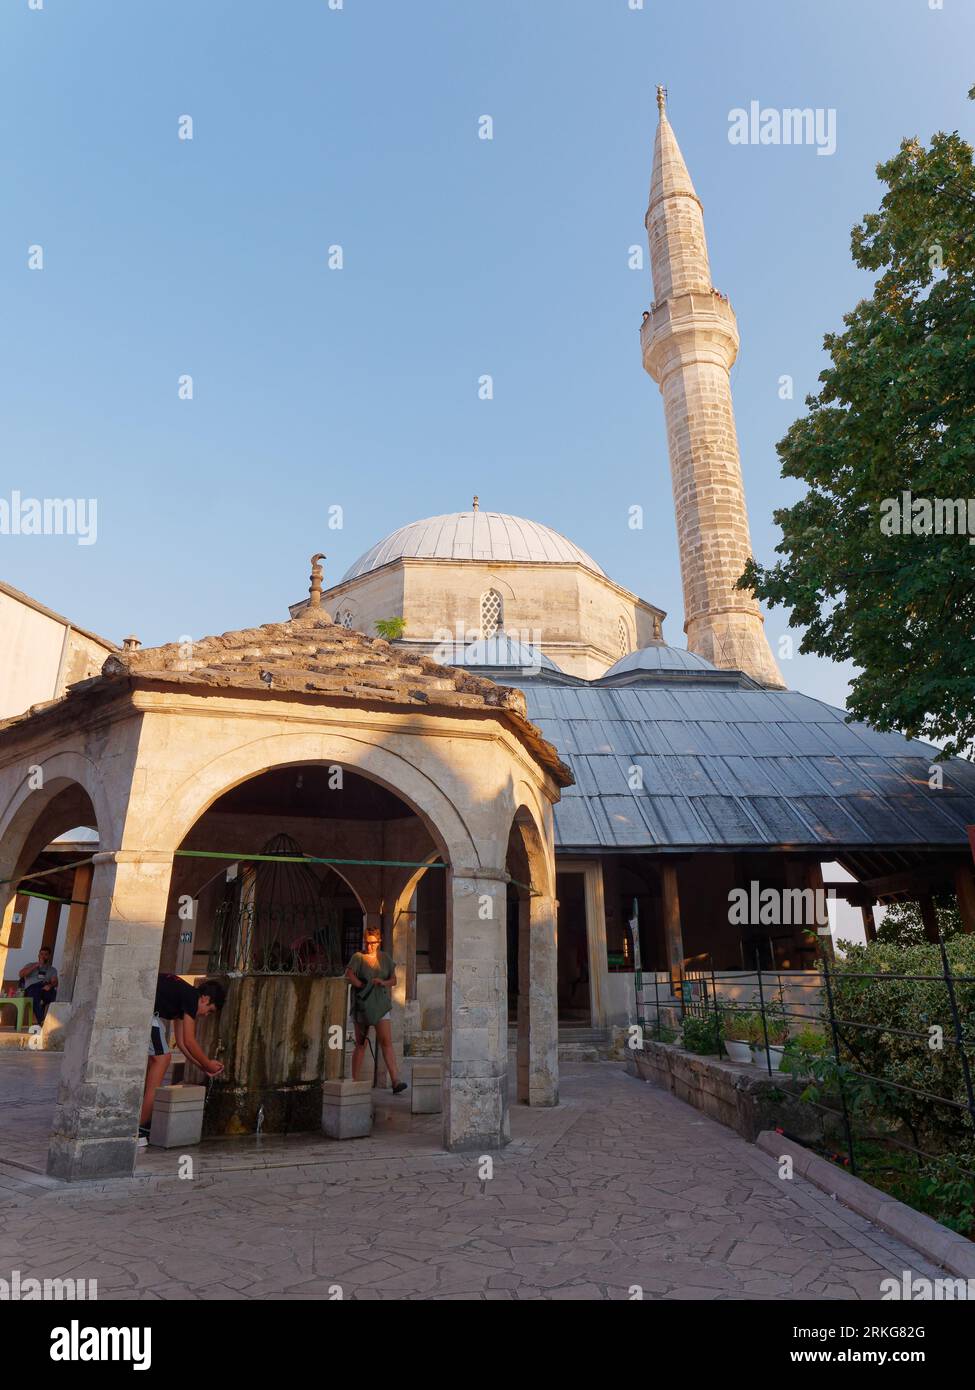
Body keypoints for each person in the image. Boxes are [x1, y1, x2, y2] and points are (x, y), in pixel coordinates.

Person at [139, 975, 226, 1146]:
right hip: (145, 1009)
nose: (206, 1015)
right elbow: (189, 1040)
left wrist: (202, 1067)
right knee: (162, 1059)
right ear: (205, 998)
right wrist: (208, 1063)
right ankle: (139, 1126)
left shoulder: (185, 997)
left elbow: (181, 1043)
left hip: (145, 1008)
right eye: (209, 1010)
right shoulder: (191, 997)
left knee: (160, 1058)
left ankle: (142, 1119)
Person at [345, 927, 407, 1094]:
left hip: (380, 1005)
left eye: (373, 942)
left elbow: (394, 979)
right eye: (367, 942)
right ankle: (355, 1081)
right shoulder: (358, 957)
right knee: (360, 1044)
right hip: (362, 1005)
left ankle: (395, 1081)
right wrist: (360, 985)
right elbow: (349, 974)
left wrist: (383, 982)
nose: (369, 946)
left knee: (386, 1042)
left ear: (379, 942)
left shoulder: (385, 958)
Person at [18, 947, 58, 1026]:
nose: (43, 956)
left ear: (49, 956)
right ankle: (42, 1021)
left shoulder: (52, 969)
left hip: (45, 987)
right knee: (35, 995)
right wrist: (36, 965)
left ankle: (51, 1021)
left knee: (53, 995)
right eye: (41, 954)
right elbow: (21, 974)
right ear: (38, 955)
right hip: (32, 988)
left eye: (46, 954)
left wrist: (50, 985)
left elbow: (55, 982)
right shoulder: (30, 965)